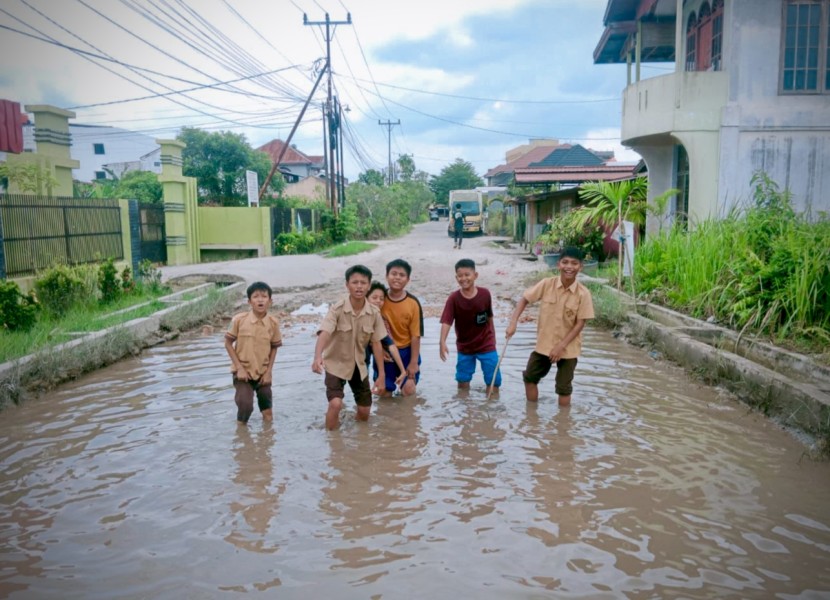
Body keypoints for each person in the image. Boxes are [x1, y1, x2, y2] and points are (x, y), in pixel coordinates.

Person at [505, 247, 595, 406]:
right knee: (529, 378)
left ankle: (562, 426)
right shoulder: (546, 284)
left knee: (564, 388)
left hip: (568, 348)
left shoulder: (583, 293)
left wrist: (561, 346)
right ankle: (532, 417)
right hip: (544, 345)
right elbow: (525, 299)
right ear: (558, 265)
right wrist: (513, 323)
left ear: (580, 267)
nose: (569, 267)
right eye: (565, 262)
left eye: (574, 263)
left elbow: (581, 323)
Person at [312, 265, 387, 430]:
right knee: (336, 404)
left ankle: (359, 438)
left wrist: (381, 374)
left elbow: (376, 344)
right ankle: (332, 441)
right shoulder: (337, 309)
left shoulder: (374, 313)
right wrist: (317, 357)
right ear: (347, 285)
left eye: (363, 283)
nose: (359, 286)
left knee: (365, 411)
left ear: (369, 286)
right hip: (335, 364)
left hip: (358, 366)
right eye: (355, 282)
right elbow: (324, 332)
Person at [439, 258, 502, 394]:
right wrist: (442, 342)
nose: (464, 278)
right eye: (460, 276)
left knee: (493, 381)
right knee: (462, 380)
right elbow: (447, 321)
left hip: (486, 343)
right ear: (456, 278)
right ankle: (465, 408)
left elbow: (489, 316)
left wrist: (493, 337)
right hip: (465, 346)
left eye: (467, 274)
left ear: (475, 275)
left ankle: (493, 408)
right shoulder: (454, 298)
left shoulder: (485, 294)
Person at [224, 281, 282, 424]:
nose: (260, 300)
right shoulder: (239, 320)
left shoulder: (273, 323)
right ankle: (242, 438)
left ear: (270, 301)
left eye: (264, 296)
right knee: (245, 407)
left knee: (267, 411)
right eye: (256, 297)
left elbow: (274, 347)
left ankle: (267, 438)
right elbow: (227, 343)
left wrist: (269, 372)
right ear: (249, 301)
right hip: (243, 373)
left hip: (263, 373)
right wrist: (239, 369)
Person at [380, 258, 424, 396]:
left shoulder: (413, 303)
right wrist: (380, 349)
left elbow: (415, 335)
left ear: (408, 279)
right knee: (384, 392)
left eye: (402, 275)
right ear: (387, 276)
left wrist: (413, 362)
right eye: (394, 273)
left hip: (407, 351)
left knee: (409, 392)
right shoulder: (378, 299)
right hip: (386, 352)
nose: (397, 278)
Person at [366, 281, 406, 391]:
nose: (378, 301)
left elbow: (390, 344)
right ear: (366, 298)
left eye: (381, 298)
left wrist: (403, 370)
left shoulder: (381, 320)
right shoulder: (357, 315)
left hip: (365, 361)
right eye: (374, 298)